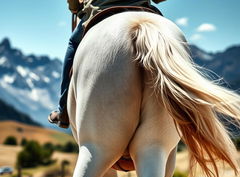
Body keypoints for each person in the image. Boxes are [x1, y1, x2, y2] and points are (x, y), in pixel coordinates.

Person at [48, 0, 166, 128]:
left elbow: (74, 4)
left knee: (73, 43)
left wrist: (75, 7)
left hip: (101, 10)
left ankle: (63, 111)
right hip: (141, 9)